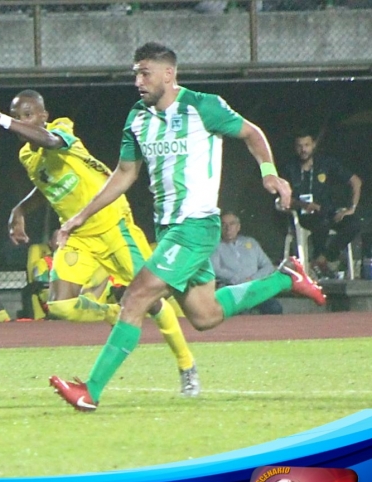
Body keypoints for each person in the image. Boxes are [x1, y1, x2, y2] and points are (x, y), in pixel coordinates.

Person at [47, 42, 326, 411]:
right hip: (169, 229)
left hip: (195, 225)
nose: (138, 80)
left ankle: (91, 390)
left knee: (135, 298)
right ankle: (286, 278)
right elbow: (125, 173)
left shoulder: (202, 106)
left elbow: (251, 133)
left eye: (145, 73)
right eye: (135, 73)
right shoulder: (137, 117)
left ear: (168, 74)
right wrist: (81, 215)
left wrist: (270, 173)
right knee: (204, 315)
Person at [0, 88, 200, 396]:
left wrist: (0, 120)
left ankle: (187, 365)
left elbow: (51, 143)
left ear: (43, 116)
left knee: (153, 300)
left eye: (27, 116)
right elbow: (47, 186)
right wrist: (20, 209)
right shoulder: (26, 155)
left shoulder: (60, 129)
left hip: (112, 225)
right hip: (78, 236)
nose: (20, 121)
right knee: (59, 306)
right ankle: (111, 313)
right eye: (16, 116)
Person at [280, 129, 363, 279]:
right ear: (295, 147)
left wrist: (351, 208)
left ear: (313, 145)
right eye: (299, 146)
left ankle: (323, 258)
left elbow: (356, 181)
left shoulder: (326, 163)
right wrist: (303, 205)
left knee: (354, 223)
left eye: (306, 145)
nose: (303, 149)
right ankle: (320, 262)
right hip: (304, 215)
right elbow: (283, 199)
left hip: (328, 211)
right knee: (321, 221)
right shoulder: (289, 167)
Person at [211, 212, 283, 315]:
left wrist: (252, 279)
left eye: (232, 224)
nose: (228, 228)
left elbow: (268, 266)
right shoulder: (215, 246)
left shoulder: (251, 242)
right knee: (240, 313)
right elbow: (216, 269)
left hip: (255, 288)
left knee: (275, 308)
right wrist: (239, 280)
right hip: (232, 289)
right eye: (224, 224)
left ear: (238, 227)